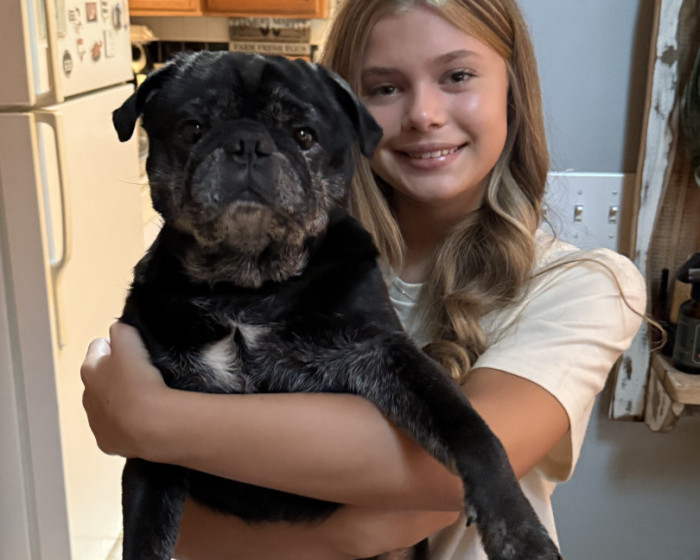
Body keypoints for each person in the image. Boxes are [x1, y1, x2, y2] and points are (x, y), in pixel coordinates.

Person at [80, 0, 647, 558]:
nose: (424, 114)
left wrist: (152, 418)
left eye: (457, 76)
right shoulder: (242, 269)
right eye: (385, 87)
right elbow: (181, 527)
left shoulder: (584, 285)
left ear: (512, 91)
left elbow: (451, 472)